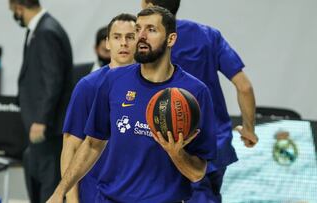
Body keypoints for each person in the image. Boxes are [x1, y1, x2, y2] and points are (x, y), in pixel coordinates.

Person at [48, 6, 217, 203]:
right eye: (138, 29)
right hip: (110, 199)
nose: (141, 36)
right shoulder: (113, 81)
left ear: (171, 39)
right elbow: (92, 144)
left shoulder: (195, 92)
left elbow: (197, 173)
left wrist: (176, 154)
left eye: (151, 30)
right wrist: (61, 191)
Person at [141, 0, 258, 202]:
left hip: (164, 143)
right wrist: (249, 129)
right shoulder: (208, 35)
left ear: (149, 4)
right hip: (213, 143)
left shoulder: (147, 43)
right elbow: (244, 86)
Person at [60, 13, 137, 203]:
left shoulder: (152, 87)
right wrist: (71, 199)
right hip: (95, 195)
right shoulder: (88, 86)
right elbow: (71, 145)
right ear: (108, 43)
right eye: (117, 37)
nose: (124, 43)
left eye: (130, 37)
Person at [8, 0, 73, 202]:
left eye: (12, 10)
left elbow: (53, 80)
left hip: (47, 127)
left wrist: (41, 120)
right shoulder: (40, 29)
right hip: (41, 124)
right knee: (37, 179)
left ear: (18, 7)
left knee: (48, 185)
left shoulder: (46, 31)